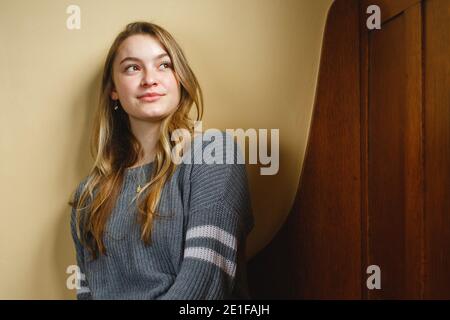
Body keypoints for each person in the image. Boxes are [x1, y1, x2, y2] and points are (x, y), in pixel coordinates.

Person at [68, 21, 254, 300]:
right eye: (132, 67)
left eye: (164, 65)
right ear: (113, 90)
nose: (149, 79)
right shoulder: (88, 195)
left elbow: (205, 286)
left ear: (180, 79)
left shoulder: (214, 153)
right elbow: (86, 294)